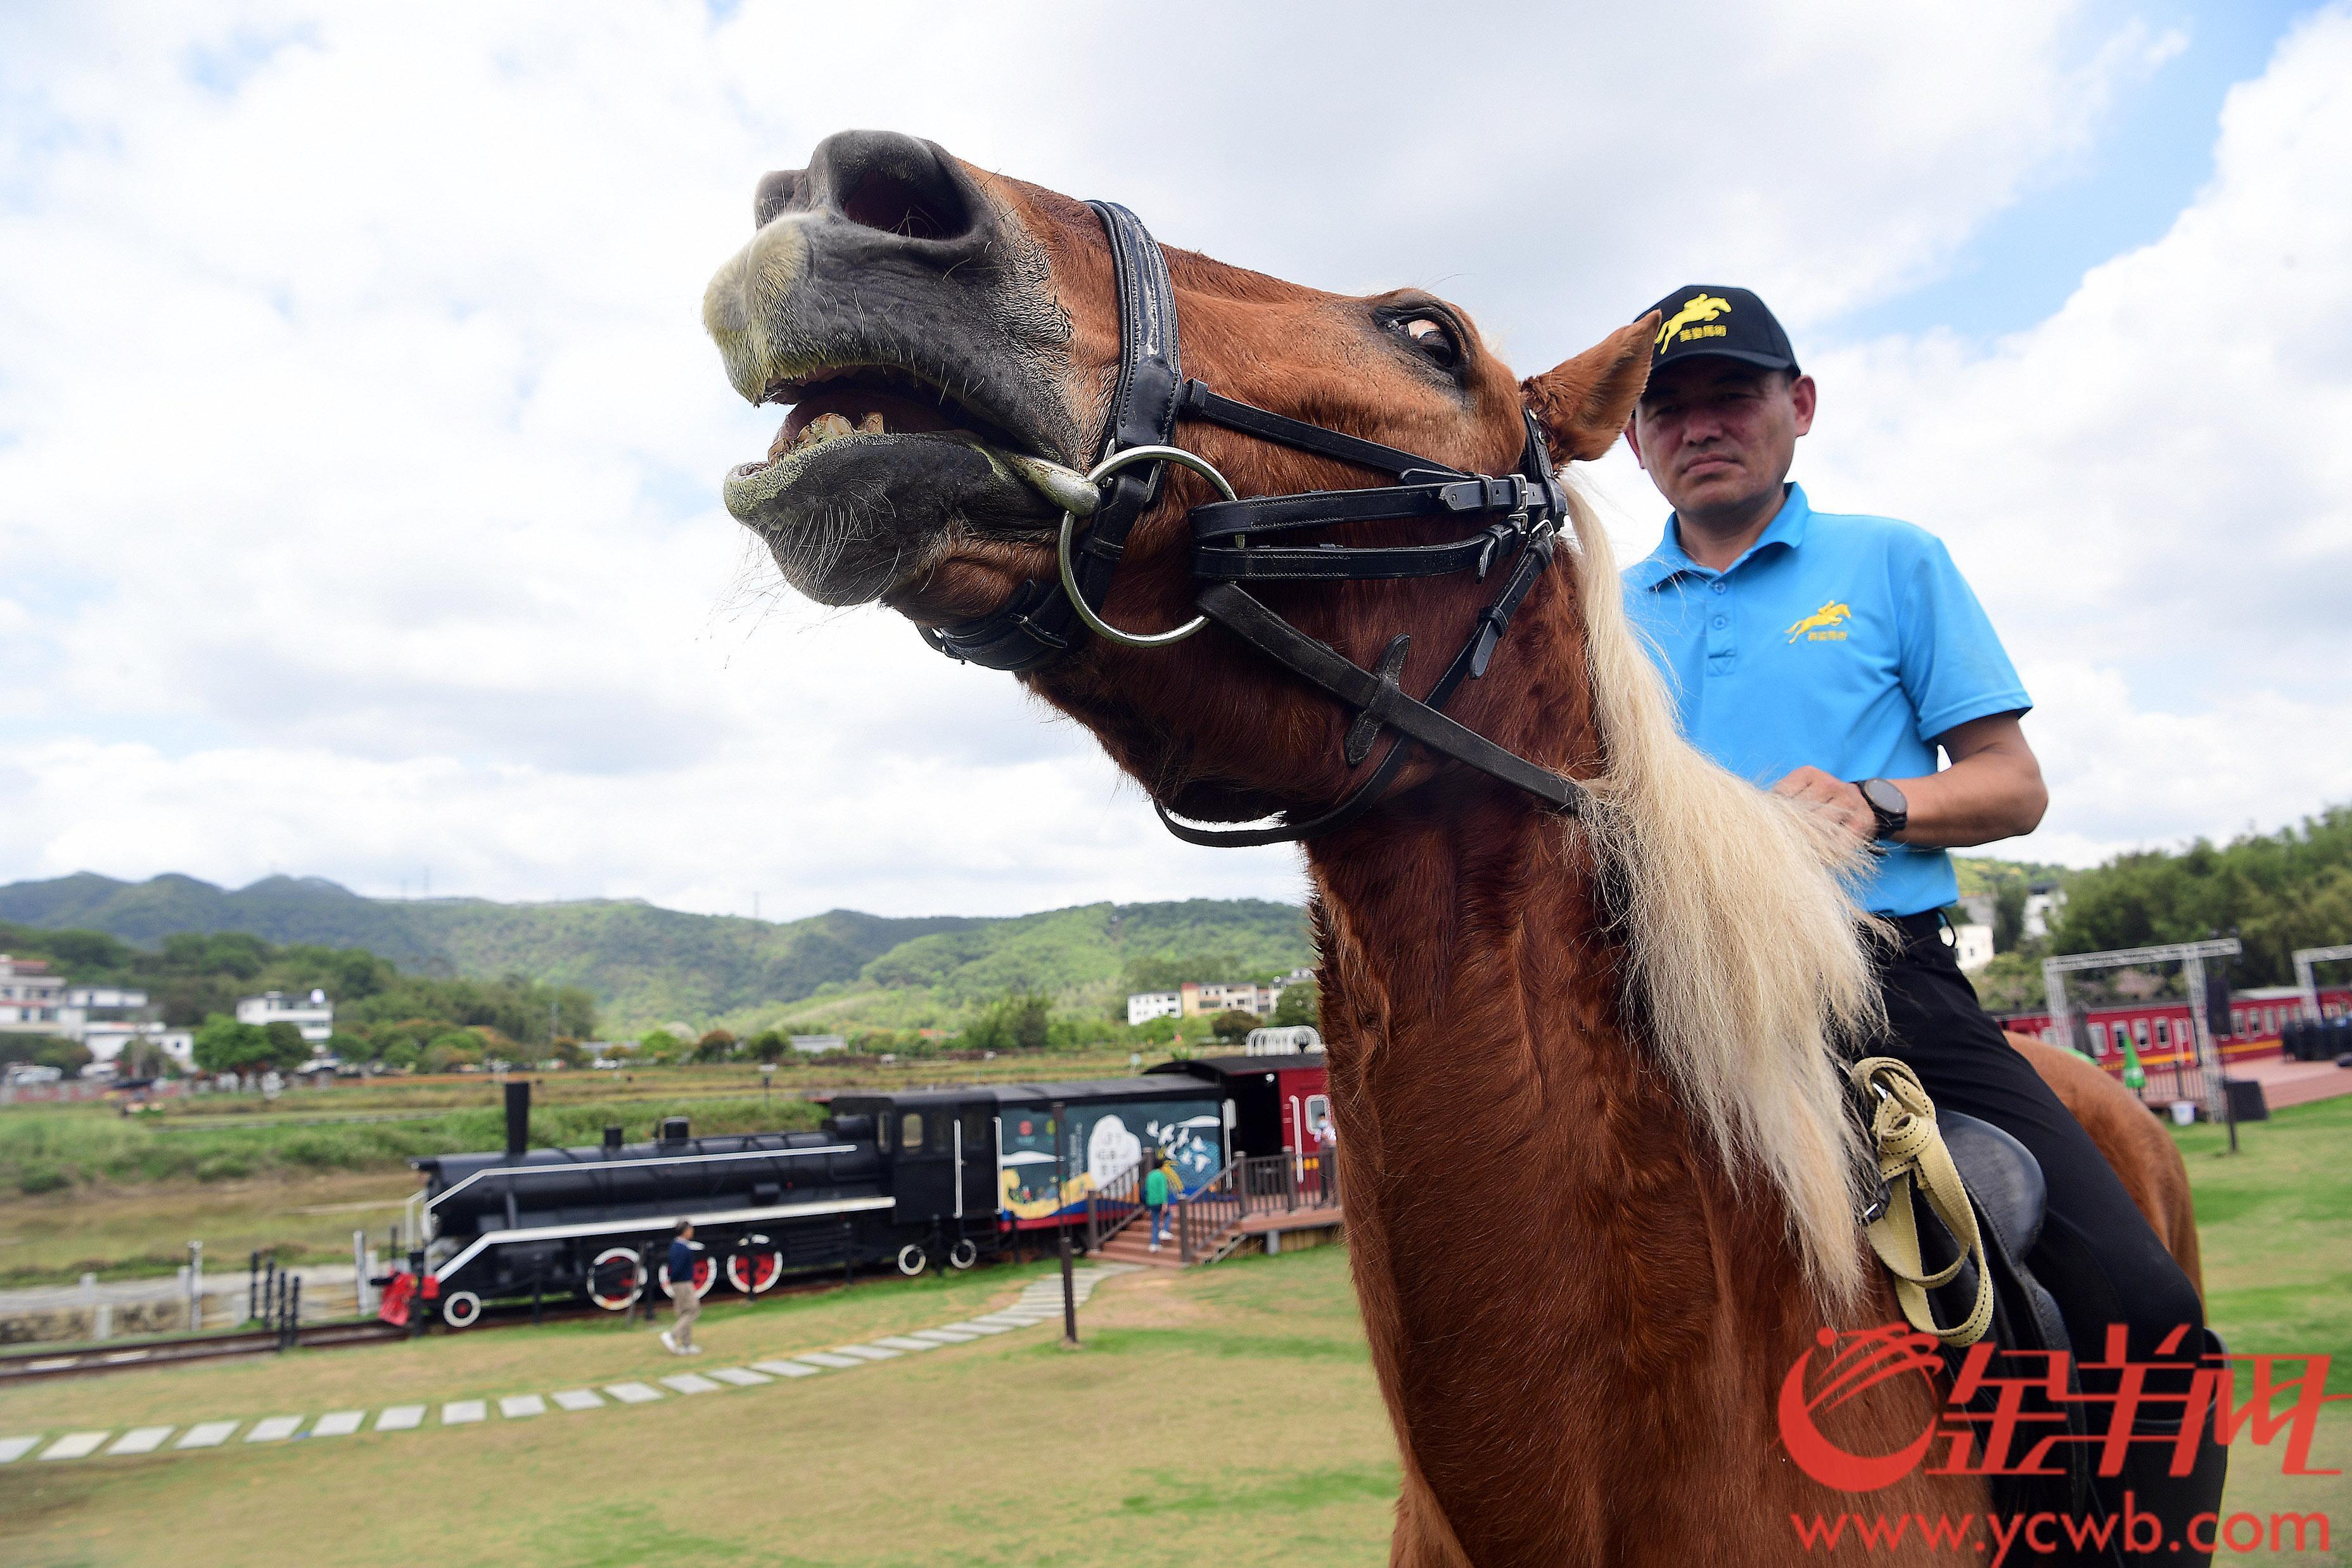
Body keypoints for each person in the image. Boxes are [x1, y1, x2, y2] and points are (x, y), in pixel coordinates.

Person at [1618, 284, 2223, 1557]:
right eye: (1661, 407)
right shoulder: (1594, 612)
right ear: (1630, 440)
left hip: (1880, 990)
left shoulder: (1890, 561)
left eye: (1727, 394)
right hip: (1654, 1006)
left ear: (1799, 406)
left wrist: (1875, 800)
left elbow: (2011, 784)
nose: (1696, 426)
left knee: (2143, 1312)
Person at [660, 1218, 703, 1355]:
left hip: (679, 1282)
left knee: (684, 1313)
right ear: (685, 1232)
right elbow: (678, 1267)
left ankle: (687, 1345)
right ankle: (672, 1336)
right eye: (690, 1230)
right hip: (683, 1283)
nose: (692, 1232)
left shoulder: (676, 1246)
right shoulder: (681, 1248)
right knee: (693, 1311)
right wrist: (673, 1279)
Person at [1142, 1153, 1171, 1252]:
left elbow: (1146, 1190)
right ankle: (1165, 1230)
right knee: (1168, 1215)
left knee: (1155, 1223)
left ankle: (1154, 1244)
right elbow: (1164, 1190)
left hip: (1151, 1202)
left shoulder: (1150, 1175)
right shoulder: (1161, 1176)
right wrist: (1165, 1202)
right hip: (1160, 1201)